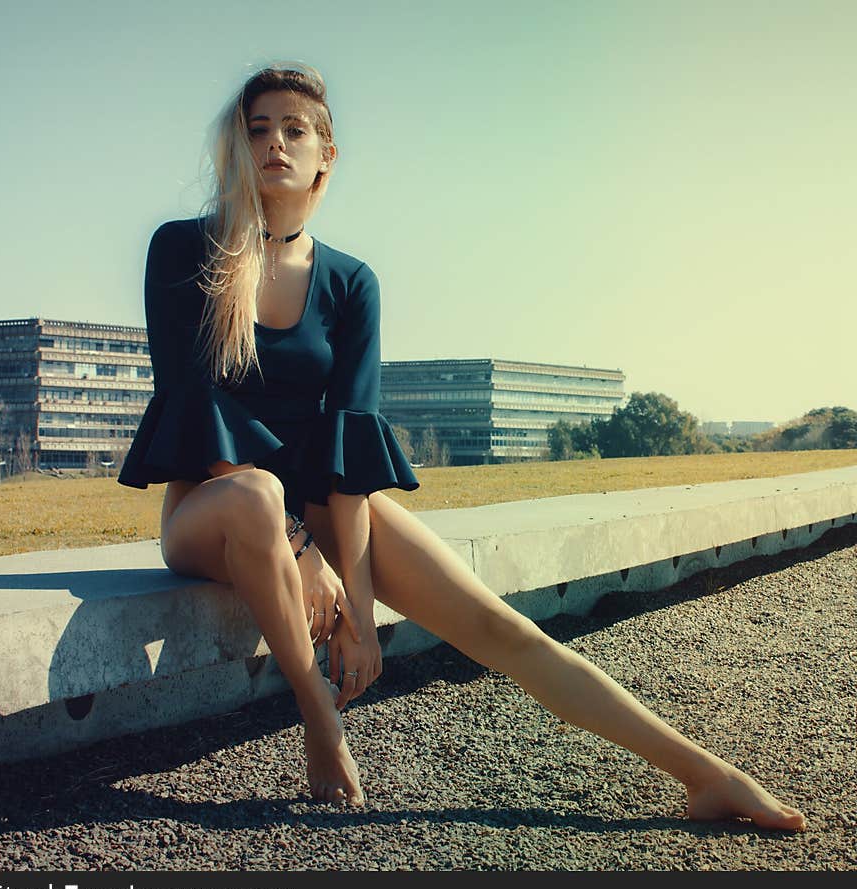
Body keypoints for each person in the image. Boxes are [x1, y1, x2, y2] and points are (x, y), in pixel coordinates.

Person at [118, 61, 805, 830]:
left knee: (502, 629)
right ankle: (320, 719)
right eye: (257, 129)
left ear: (325, 155)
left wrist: (362, 604)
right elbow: (195, 408)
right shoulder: (186, 251)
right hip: (212, 510)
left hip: (319, 503)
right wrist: (301, 547)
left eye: (294, 129)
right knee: (258, 493)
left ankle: (705, 773)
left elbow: (350, 445)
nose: (274, 142)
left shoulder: (350, 283)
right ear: (238, 147)